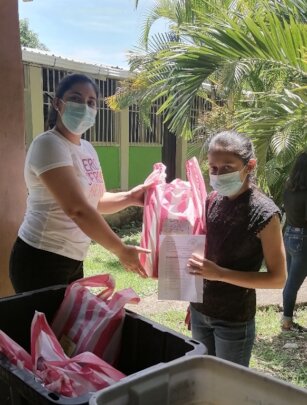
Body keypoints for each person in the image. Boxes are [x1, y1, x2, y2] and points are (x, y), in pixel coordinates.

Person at [9, 73, 150, 293]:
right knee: (45, 326)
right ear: (58, 103)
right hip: (41, 256)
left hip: (73, 258)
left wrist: (131, 197)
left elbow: (96, 201)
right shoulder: (48, 144)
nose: (84, 106)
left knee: (67, 326)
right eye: (75, 98)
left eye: (91, 102)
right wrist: (120, 249)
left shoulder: (87, 149)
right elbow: (78, 209)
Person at [187, 130, 286, 367]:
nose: (218, 175)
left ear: (249, 166)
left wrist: (220, 274)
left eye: (228, 168)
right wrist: (192, 302)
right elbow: (205, 257)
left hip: (233, 320)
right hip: (200, 313)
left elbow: (278, 279)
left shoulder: (264, 213)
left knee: (228, 389)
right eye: (213, 168)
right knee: (203, 379)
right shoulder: (211, 199)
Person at [281, 152, 307, 332]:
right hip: (303, 239)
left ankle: (287, 319)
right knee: (292, 284)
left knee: (290, 280)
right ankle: (287, 322)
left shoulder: (289, 188)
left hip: (289, 235)